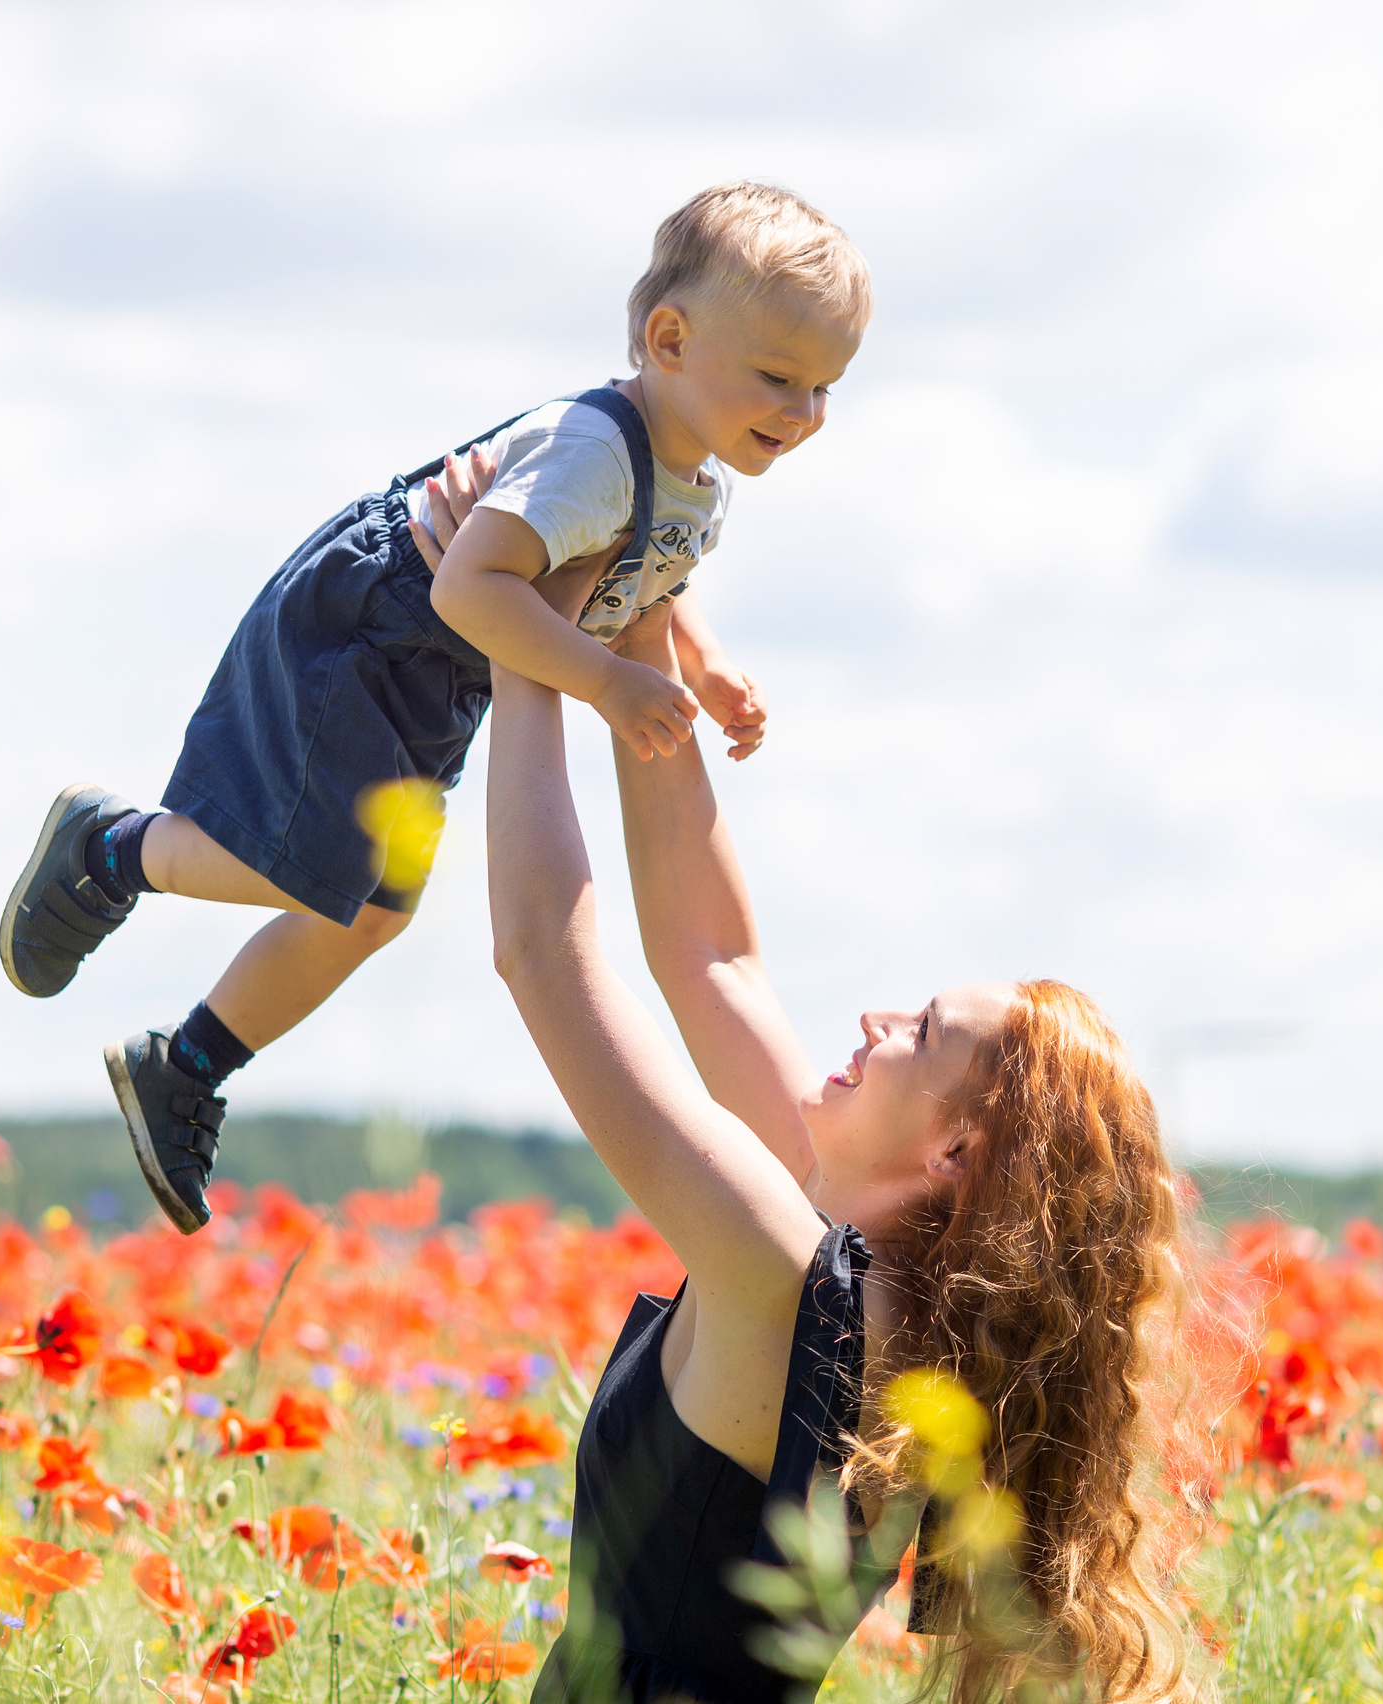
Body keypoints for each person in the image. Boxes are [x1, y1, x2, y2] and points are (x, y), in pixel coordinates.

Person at [0, 182, 870, 1234]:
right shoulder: (595, 451)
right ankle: (111, 852)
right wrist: (602, 682)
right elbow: (469, 585)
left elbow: (651, 584)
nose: (802, 412)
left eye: (825, 388)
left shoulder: (698, 478)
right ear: (669, 340)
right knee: (317, 880)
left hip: (449, 663)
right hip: (376, 630)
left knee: (370, 910)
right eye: (778, 378)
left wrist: (703, 662)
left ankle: (185, 1065)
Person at [473, 607, 1198, 1699]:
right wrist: (638, 602)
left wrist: (518, 635)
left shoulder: (783, 1273)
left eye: (920, 1031)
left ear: (955, 1148)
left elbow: (543, 955)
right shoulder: (854, 1280)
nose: (873, 1022)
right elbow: (710, 954)